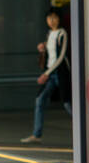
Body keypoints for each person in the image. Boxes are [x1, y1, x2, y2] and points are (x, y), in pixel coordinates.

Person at [21, 8, 71, 144]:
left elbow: (61, 57)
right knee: (40, 100)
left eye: (54, 17)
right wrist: (43, 48)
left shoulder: (62, 33)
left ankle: (85, 129)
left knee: (68, 104)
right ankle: (37, 135)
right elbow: (51, 55)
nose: (52, 20)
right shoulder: (49, 34)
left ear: (59, 19)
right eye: (49, 18)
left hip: (61, 73)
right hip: (50, 73)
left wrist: (46, 74)